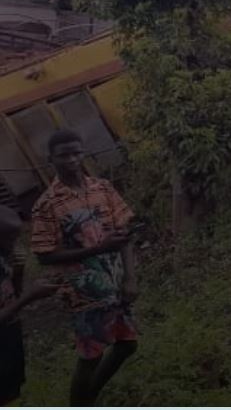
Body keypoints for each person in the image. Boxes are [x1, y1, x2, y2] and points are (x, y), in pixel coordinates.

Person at [30, 129, 139, 406]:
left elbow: (124, 234)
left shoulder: (103, 188)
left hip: (115, 282)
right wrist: (97, 249)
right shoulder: (47, 205)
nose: (71, 160)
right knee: (91, 355)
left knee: (127, 345)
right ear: (50, 159)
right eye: (63, 155)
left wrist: (130, 278)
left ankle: (88, 398)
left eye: (76, 153)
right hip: (84, 292)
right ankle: (81, 403)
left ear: (83, 153)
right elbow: (44, 256)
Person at [1, 205, 57, 405]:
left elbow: (14, 295)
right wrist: (30, 296)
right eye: (9, 238)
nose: (14, 243)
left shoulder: (4, 258)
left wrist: (18, 271)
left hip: (10, 330)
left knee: (10, 389)